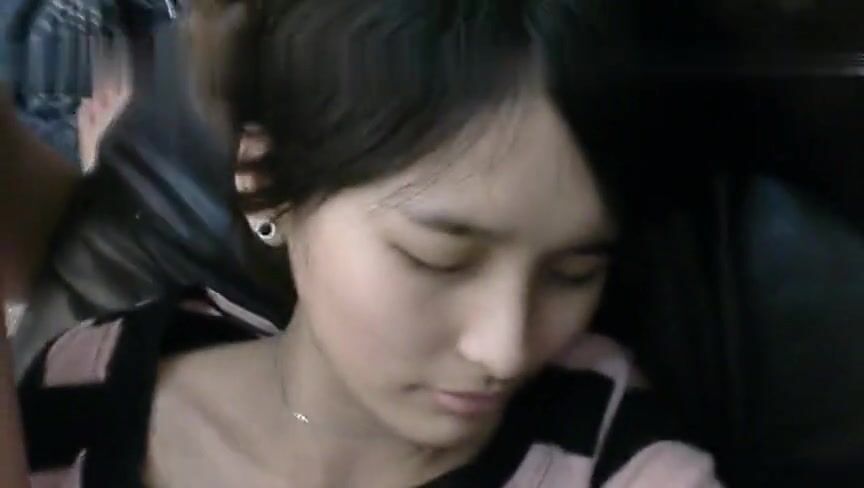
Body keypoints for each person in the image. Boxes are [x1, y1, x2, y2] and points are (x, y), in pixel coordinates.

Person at [15, 0, 724, 486]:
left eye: (573, 273)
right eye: (437, 259)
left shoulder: (611, 452)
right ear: (265, 185)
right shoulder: (80, 386)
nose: (505, 350)